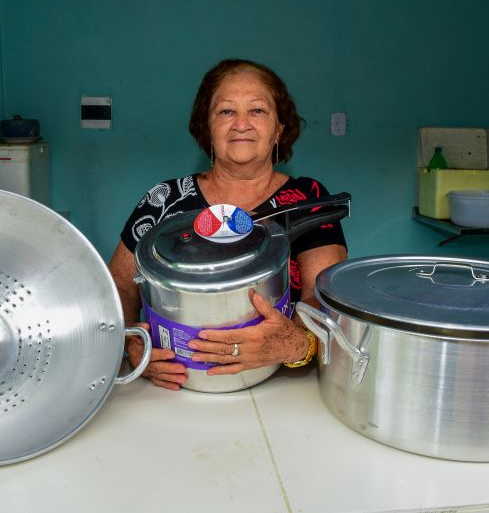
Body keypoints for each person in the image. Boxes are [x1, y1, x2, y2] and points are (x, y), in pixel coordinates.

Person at [108, 58, 348, 391]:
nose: (241, 124)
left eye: (258, 111)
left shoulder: (307, 199)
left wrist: (295, 344)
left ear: (279, 128)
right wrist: (131, 341)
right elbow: (119, 285)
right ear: (206, 128)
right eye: (226, 112)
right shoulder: (164, 200)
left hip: (283, 386)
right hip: (174, 387)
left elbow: (325, 298)